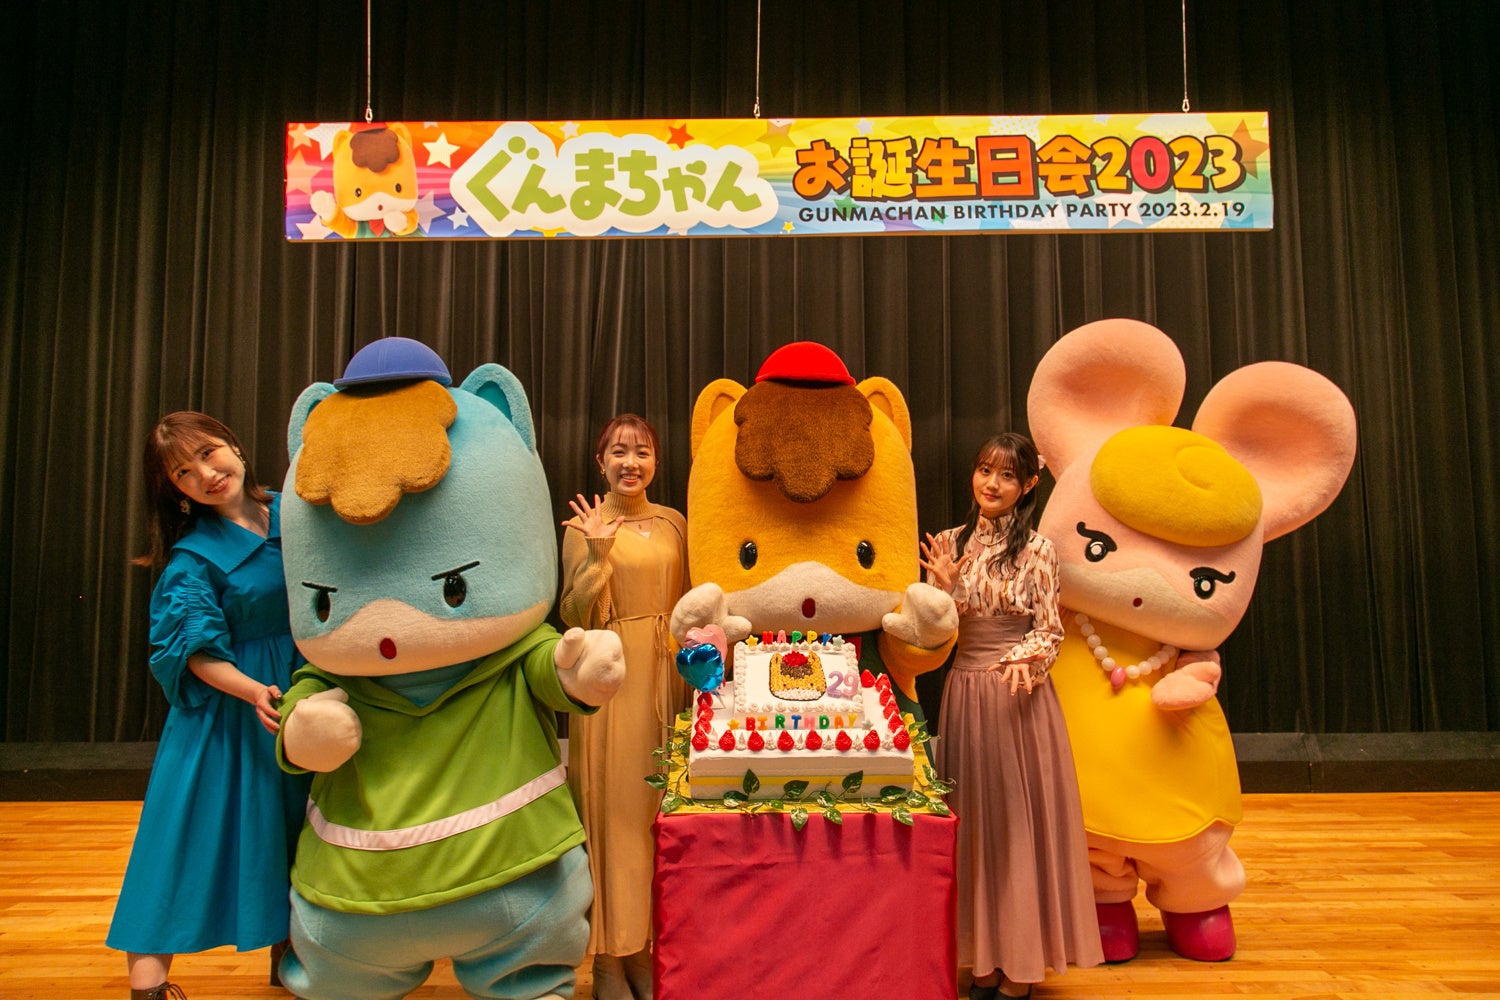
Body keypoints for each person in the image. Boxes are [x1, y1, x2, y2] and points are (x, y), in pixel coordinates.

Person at [107, 412, 312, 1000]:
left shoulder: (297, 513)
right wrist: (252, 690)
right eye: (182, 472)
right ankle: (149, 988)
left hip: (303, 696)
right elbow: (194, 653)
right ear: (175, 490)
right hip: (229, 713)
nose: (205, 473)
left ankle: (292, 961)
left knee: (296, 832)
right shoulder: (192, 560)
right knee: (183, 840)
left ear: (235, 447)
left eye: (208, 452)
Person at [920, 432, 1102, 1000]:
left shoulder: (1039, 551)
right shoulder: (947, 544)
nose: (991, 484)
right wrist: (943, 593)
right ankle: (982, 960)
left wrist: (1024, 660)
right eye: (984, 470)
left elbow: (1050, 630)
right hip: (963, 695)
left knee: (1015, 829)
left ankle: (1020, 965)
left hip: (1017, 698)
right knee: (974, 827)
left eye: (1006, 475)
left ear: (1028, 485)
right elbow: (932, 637)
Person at [560, 414, 689, 1000]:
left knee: (659, 819)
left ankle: (646, 950)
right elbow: (574, 615)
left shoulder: (675, 523)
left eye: (641, 452)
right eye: (618, 451)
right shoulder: (584, 526)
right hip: (613, 681)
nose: (630, 462)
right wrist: (597, 553)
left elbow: (693, 600)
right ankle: (609, 958)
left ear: (656, 461)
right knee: (612, 819)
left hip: (672, 677)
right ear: (601, 462)